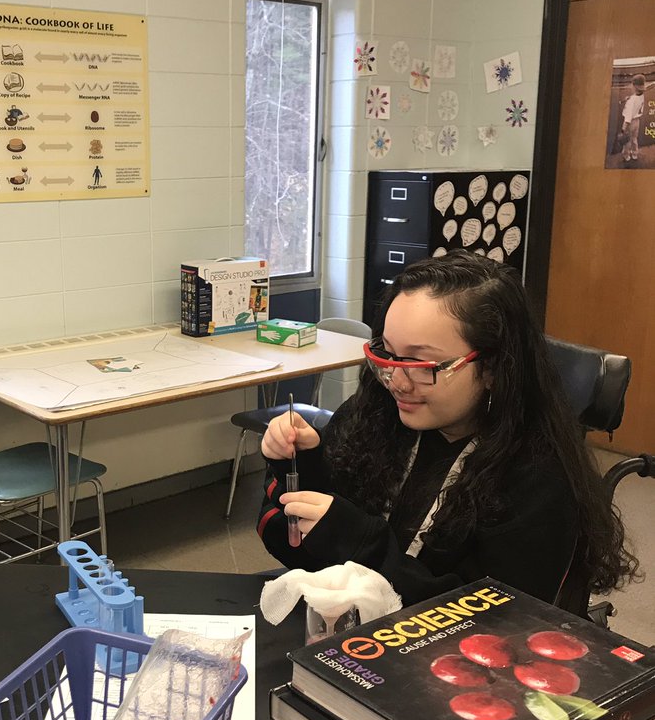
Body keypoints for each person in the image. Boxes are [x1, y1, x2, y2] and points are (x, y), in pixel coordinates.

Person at [257, 251, 636, 615]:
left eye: (423, 365)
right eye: (387, 355)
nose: (396, 382)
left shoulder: (538, 478)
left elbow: (490, 623)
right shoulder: (375, 417)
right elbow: (297, 549)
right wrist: (303, 468)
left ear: (492, 368)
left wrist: (359, 543)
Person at [620, 73, 647, 163]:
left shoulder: (631, 101)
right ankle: (635, 154)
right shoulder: (641, 96)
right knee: (634, 138)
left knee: (627, 141)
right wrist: (629, 98)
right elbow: (636, 99)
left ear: (634, 86)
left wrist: (623, 129)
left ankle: (626, 156)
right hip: (637, 122)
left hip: (630, 123)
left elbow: (627, 118)